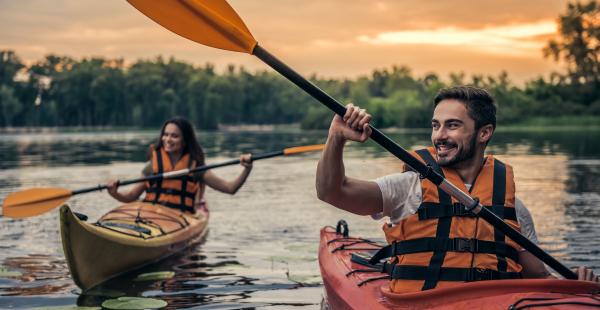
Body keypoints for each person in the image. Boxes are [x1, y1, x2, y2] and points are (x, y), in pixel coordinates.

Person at [316, 86, 598, 293]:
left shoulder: (513, 209)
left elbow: (538, 278)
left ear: (484, 133)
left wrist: (576, 286)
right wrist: (336, 137)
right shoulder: (408, 188)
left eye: (452, 126)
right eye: (436, 125)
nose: (440, 136)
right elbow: (332, 191)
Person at [107, 117, 253, 213]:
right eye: (166, 134)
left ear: (185, 140)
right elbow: (131, 196)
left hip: (179, 219)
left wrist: (247, 168)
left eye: (174, 136)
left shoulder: (197, 169)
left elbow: (230, 188)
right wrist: (114, 192)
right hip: (150, 216)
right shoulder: (152, 167)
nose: (168, 139)